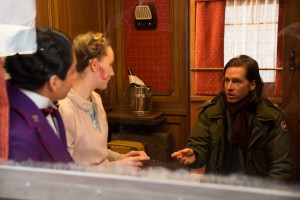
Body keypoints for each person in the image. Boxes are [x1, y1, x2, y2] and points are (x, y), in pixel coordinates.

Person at [172, 55, 293, 181]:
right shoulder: (211, 112)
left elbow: (281, 167)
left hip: (255, 190)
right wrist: (195, 155)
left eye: (236, 81)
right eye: (226, 80)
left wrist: (263, 195)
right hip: (218, 185)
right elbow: (199, 144)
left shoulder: (271, 118)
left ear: (252, 85)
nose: (229, 87)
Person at [58, 31, 150, 168]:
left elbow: (95, 152)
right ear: (94, 65)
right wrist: (116, 167)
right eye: (110, 64)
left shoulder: (96, 98)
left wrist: (119, 157)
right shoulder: (64, 109)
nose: (112, 72)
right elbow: (67, 172)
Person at [5, 27, 77, 163]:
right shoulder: (18, 135)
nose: (76, 76)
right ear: (54, 82)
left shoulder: (48, 107)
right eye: (73, 71)